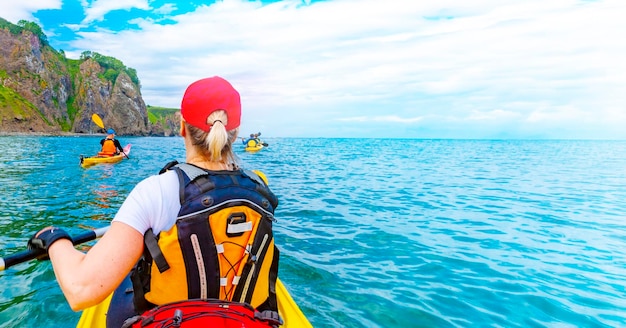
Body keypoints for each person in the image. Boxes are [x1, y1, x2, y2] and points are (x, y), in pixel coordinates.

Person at [27, 76, 281, 326]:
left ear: (182, 128)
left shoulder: (155, 191)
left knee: (132, 274)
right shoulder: (260, 185)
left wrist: (54, 238)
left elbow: (80, 290)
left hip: (174, 321)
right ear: (234, 134)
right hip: (244, 317)